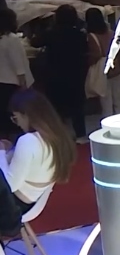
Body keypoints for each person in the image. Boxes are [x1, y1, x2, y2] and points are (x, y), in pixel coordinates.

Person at [3, 88, 77, 216]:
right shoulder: (57, 137)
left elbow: (10, 185)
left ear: (26, 115)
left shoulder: (28, 140)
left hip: (13, 204)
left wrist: (1, 152)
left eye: (16, 118)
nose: (17, 124)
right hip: (32, 202)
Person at [31, 5, 89, 140]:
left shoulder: (51, 33)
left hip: (54, 74)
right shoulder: (79, 34)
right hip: (75, 74)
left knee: (56, 107)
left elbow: (35, 42)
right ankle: (80, 134)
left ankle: (59, 135)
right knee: (77, 107)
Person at [85, 7, 120, 117]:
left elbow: (95, 54)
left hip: (102, 71)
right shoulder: (111, 33)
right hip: (115, 67)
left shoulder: (91, 36)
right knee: (118, 99)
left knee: (106, 101)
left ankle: (108, 123)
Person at [0, 8, 32, 137]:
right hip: (15, 83)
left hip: (2, 82)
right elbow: (18, 64)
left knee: (5, 118)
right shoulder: (11, 39)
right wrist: (23, 85)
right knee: (17, 117)